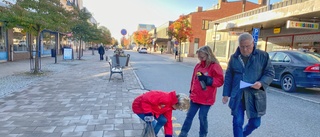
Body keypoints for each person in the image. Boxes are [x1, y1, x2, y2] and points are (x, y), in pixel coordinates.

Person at [222, 33, 275, 137]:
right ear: (239, 45)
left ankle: (243, 134)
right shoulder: (234, 58)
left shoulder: (263, 56)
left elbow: (270, 73)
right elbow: (228, 77)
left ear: (253, 44)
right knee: (237, 122)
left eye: (247, 46)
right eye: (242, 47)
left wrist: (261, 83)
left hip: (255, 95)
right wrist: (225, 94)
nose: (245, 49)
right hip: (238, 94)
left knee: (255, 123)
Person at [178, 46, 224, 137]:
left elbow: (220, 81)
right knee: (189, 116)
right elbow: (193, 80)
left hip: (207, 99)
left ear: (208, 55)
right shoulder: (198, 66)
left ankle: (203, 134)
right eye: (199, 57)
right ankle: (183, 133)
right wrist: (191, 91)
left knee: (202, 117)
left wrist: (208, 80)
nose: (200, 59)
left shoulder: (215, 66)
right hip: (195, 97)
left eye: (202, 57)